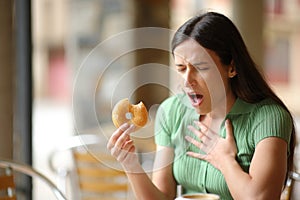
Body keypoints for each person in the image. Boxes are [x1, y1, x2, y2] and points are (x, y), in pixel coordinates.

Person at [107, 12, 296, 200]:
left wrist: (224, 159)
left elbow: (261, 198)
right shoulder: (171, 112)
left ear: (231, 67)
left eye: (201, 68)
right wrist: (131, 164)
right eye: (181, 68)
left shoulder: (269, 118)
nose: (187, 81)